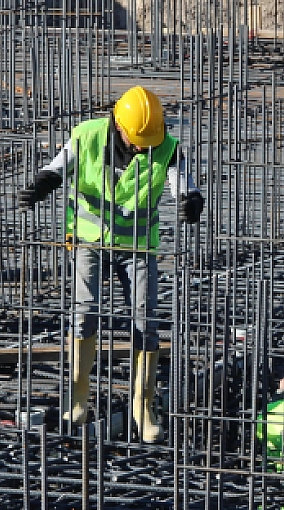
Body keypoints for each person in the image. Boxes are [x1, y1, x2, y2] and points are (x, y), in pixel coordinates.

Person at [17, 86, 203, 438]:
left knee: (146, 322)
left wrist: (191, 200)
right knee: (84, 314)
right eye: (137, 140)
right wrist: (41, 185)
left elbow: (184, 185)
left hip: (138, 247)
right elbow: (58, 168)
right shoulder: (87, 137)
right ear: (118, 126)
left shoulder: (166, 147)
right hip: (90, 240)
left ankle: (142, 408)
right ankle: (77, 399)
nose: (142, 146)